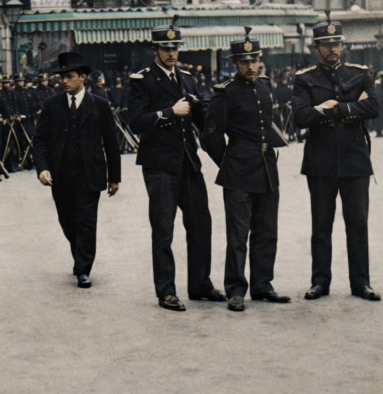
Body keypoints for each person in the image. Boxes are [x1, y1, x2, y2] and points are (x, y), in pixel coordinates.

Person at [128, 19, 225, 312]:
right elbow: (135, 122)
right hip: (160, 165)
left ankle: (200, 284)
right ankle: (166, 291)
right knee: (164, 229)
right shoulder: (142, 80)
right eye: (166, 48)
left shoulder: (186, 77)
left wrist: (218, 113)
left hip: (188, 162)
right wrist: (169, 112)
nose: (172, 53)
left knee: (201, 223)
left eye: (175, 48)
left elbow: (198, 117)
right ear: (155, 49)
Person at [291, 14, 380, 302]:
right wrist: (353, 106)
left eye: (336, 43)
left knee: (358, 224)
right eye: (325, 44)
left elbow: (375, 107)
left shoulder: (359, 73)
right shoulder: (304, 79)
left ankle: (361, 283)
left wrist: (335, 109)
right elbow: (300, 118)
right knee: (321, 225)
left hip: (355, 159)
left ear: (343, 45)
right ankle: (320, 282)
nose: (332, 49)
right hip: (321, 160)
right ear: (315, 47)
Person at [204, 31, 289, 312]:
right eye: (244, 61)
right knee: (238, 235)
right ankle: (236, 289)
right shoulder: (225, 93)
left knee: (267, 232)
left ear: (260, 60)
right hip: (238, 172)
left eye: (254, 60)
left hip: (267, 168)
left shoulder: (266, 86)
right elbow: (211, 138)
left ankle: (263, 285)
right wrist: (229, 163)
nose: (250, 66)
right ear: (235, 63)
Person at [33, 52, 120, 288]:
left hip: (89, 174)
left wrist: (114, 178)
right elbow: (40, 140)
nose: (64, 81)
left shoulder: (99, 105)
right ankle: (79, 254)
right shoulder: (51, 105)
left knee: (86, 221)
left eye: (69, 76)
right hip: (60, 175)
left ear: (83, 77)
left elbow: (111, 143)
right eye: (62, 77)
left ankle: (83, 268)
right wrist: (42, 169)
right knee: (68, 221)